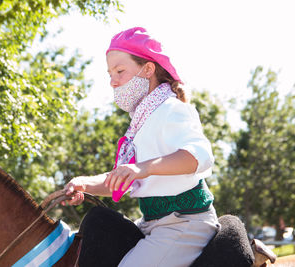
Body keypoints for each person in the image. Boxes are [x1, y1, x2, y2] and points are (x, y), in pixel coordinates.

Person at [62, 27, 220, 267]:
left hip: (186, 224)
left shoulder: (172, 108)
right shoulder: (140, 121)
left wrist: (141, 169)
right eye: (110, 73)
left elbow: (200, 157)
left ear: (148, 69)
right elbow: (121, 179)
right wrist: (84, 183)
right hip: (152, 223)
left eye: (120, 71)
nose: (113, 81)